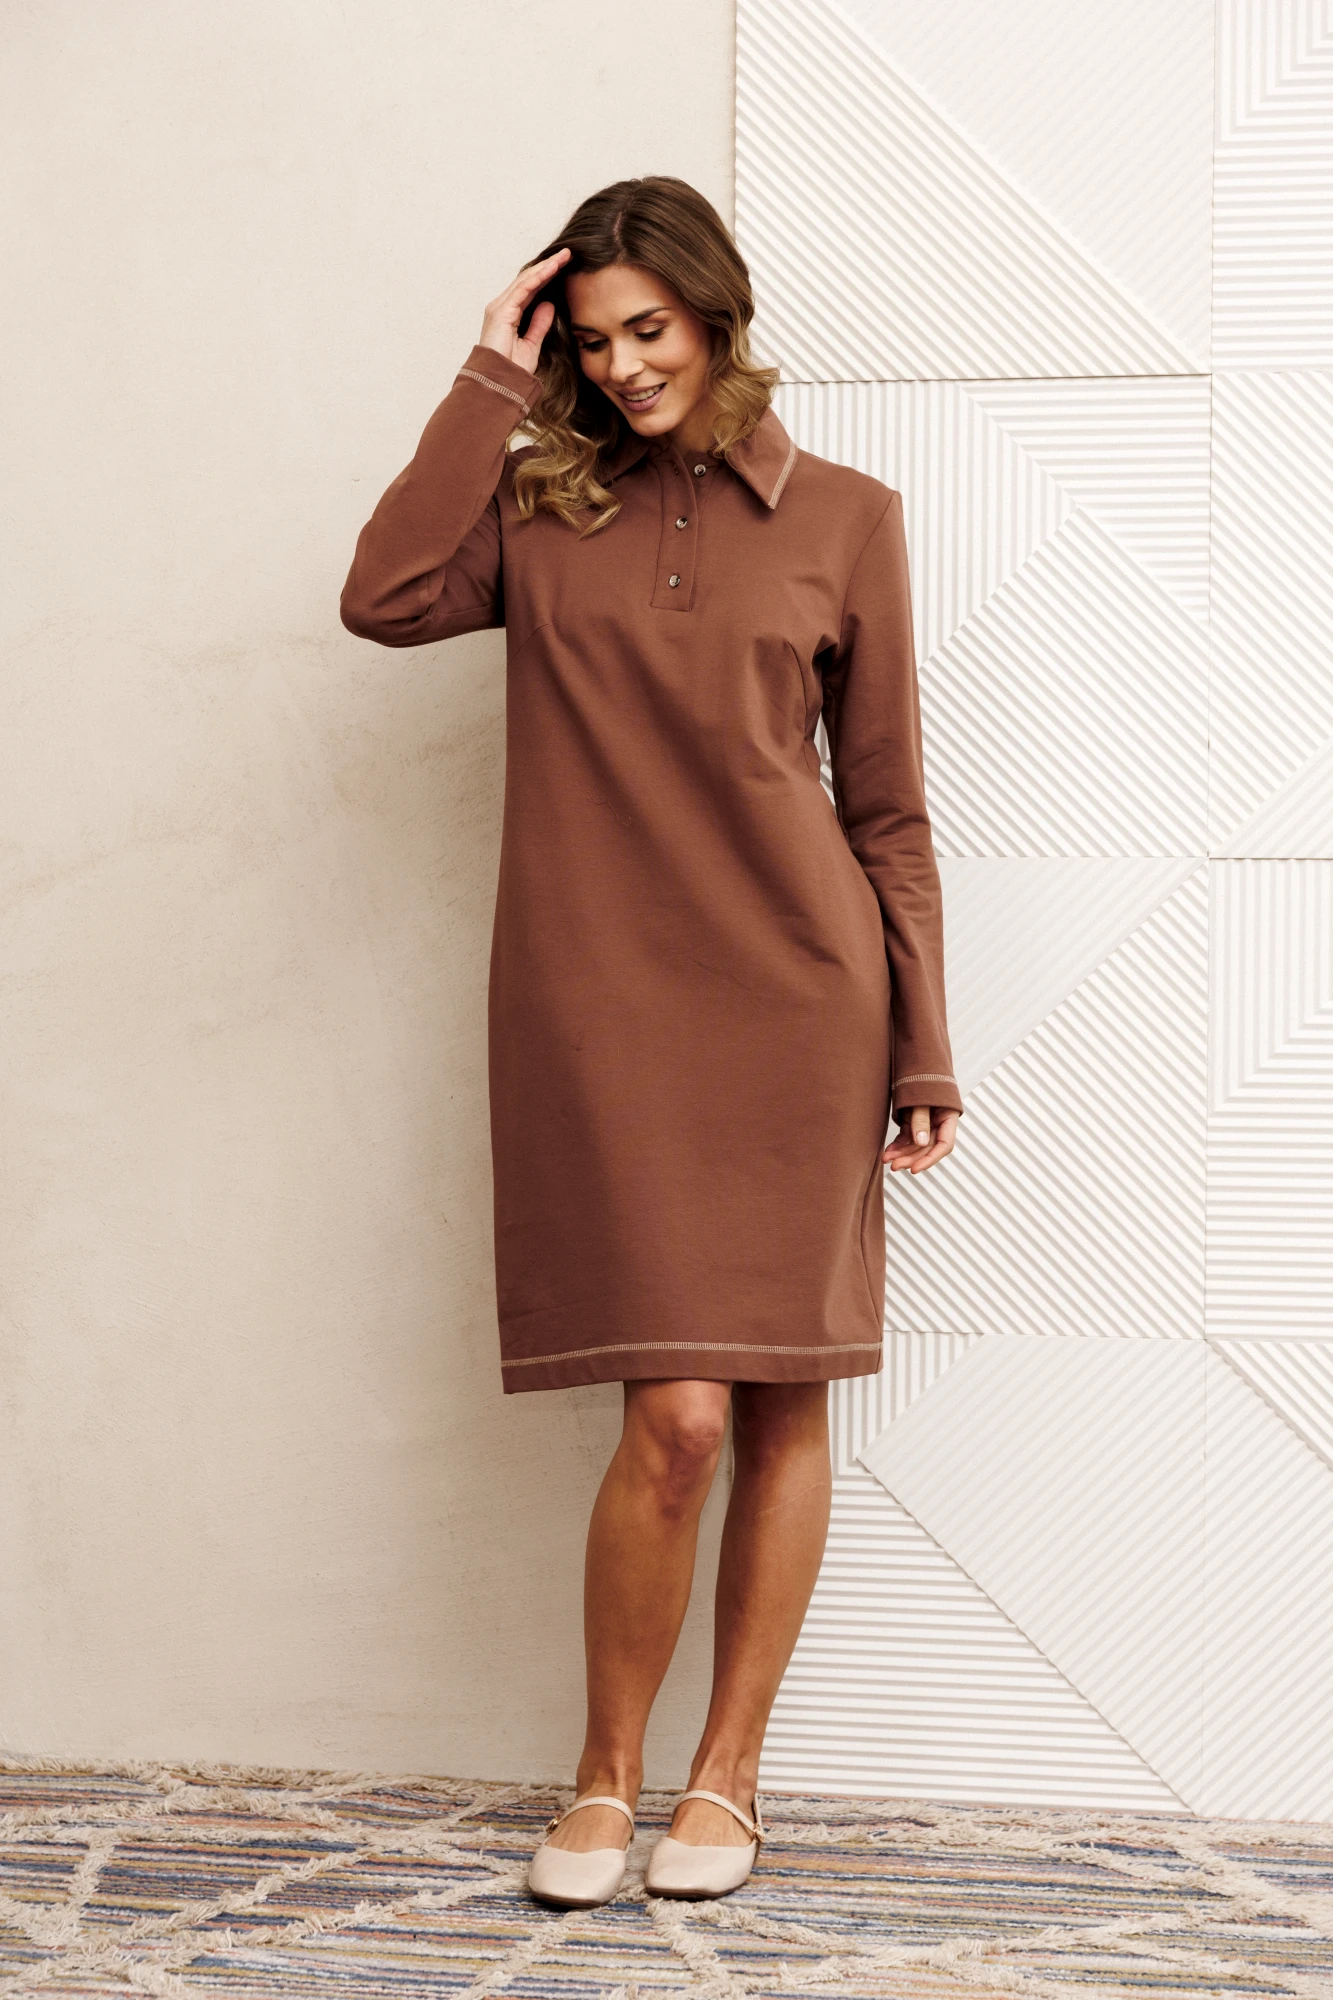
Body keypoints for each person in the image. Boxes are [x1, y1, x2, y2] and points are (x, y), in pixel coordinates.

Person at [340, 176, 962, 1907]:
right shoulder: (540, 511)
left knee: (777, 1399)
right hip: (603, 1009)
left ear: (717, 317)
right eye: (594, 339)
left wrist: (922, 1037)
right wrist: (491, 372)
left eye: (652, 330)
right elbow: (383, 595)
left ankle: (727, 1780)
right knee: (674, 1416)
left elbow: (889, 809)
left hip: (800, 999)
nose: (623, 367)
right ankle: (603, 1777)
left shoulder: (847, 518)